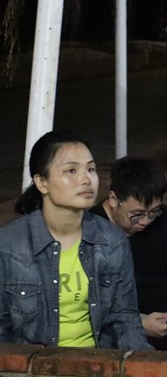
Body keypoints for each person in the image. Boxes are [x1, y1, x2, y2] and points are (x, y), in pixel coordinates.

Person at [0, 131, 151, 350]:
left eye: (91, 169)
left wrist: (140, 364)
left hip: (99, 361)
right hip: (31, 364)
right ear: (42, 182)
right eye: (71, 170)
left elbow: (125, 319)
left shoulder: (112, 240)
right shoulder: (8, 245)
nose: (86, 179)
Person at [90, 157, 167, 351]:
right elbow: (90, 304)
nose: (146, 221)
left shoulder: (164, 219)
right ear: (114, 200)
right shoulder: (91, 229)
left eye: (154, 212)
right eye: (137, 214)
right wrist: (138, 324)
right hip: (116, 322)